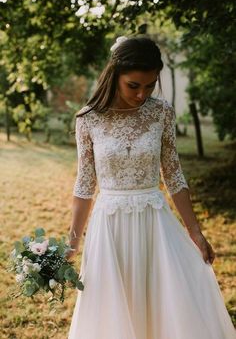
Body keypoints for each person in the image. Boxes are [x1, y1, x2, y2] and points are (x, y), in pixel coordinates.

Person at [67, 36, 236, 339]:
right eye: (134, 85)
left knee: (164, 302)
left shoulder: (162, 112)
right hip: (110, 226)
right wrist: (73, 241)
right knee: (114, 307)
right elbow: (84, 183)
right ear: (115, 74)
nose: (142, 94)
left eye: (150, 85)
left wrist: (195, 231)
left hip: (154, 221)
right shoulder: (88, 119)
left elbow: (174, 175)